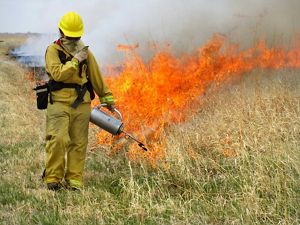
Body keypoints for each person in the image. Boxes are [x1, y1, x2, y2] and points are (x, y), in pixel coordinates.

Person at [43, 12, 115, 191]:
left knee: (79, 142)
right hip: (59, 101)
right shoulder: (53, 50)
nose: (73, 39)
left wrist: (107, 98)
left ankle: (74, 181)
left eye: (76, 36)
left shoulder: (85, 51)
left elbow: (96, 75)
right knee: (58, 139)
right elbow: (58, 73)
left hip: (81, 103)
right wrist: (75, 61)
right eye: (70, 35)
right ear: (61, 32)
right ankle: (53, 179)